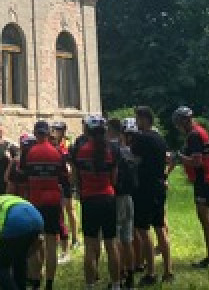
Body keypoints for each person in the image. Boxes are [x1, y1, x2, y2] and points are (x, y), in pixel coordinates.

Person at [14, 119, 68, 290]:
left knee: (34, 242)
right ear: (48, 134)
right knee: (52, 243)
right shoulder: (57, 152)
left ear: (36, 133)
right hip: (53, 201)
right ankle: (49, 284)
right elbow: (64, 176)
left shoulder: (28, 152)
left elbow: (22, 174)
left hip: (35, 201)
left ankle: (35, 279)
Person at [72, 114, 122, 290]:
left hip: (89, 200)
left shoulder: (80, 150)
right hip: (108, 198)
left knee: (90, 246)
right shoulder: (113, 150)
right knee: (111, 244)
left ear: (88, 131)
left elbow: (76, 178)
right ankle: (116, 284)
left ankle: (90, 285)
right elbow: (114, 179)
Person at [171, 106, 209, 269]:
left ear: (184, 121)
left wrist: (178, 157)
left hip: (204, 179)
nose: (179, 128)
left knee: (204, 218)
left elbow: (196, 162)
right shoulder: (201, 131)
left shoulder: (194, 135)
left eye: (179, 124)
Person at [131, 107, 172, 286]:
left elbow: (133, 159)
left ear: (145, 119)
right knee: (160, 227)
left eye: (137, 119)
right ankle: (169, 270)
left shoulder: (141, 138)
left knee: (143, 230)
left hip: (144, 189)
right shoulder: (160, 139)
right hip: (159, 186)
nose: (136, 123)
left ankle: (151, 272)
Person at [0, 194, 45, 290]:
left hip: (15, 223)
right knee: (19, 260)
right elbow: (40, 241)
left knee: (0, 266)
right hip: (37, 218)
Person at [110, 117, 139, 289]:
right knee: (128, 239)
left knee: (117, 240)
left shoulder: (114, 151)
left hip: (117, 197)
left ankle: (119, 275)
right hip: (129, 197)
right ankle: (130, 276)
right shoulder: (129, 152)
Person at [50, 120, 79, 261]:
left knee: (70, 210)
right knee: (59, 212)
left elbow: (70, 165)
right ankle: (59, 238)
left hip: (67, 182)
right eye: (54, 129)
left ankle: (75, 238)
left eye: (57, 129)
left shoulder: (68, 145)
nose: (55, 132)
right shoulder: (52, 144)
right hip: (58, 182)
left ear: (63, 131)